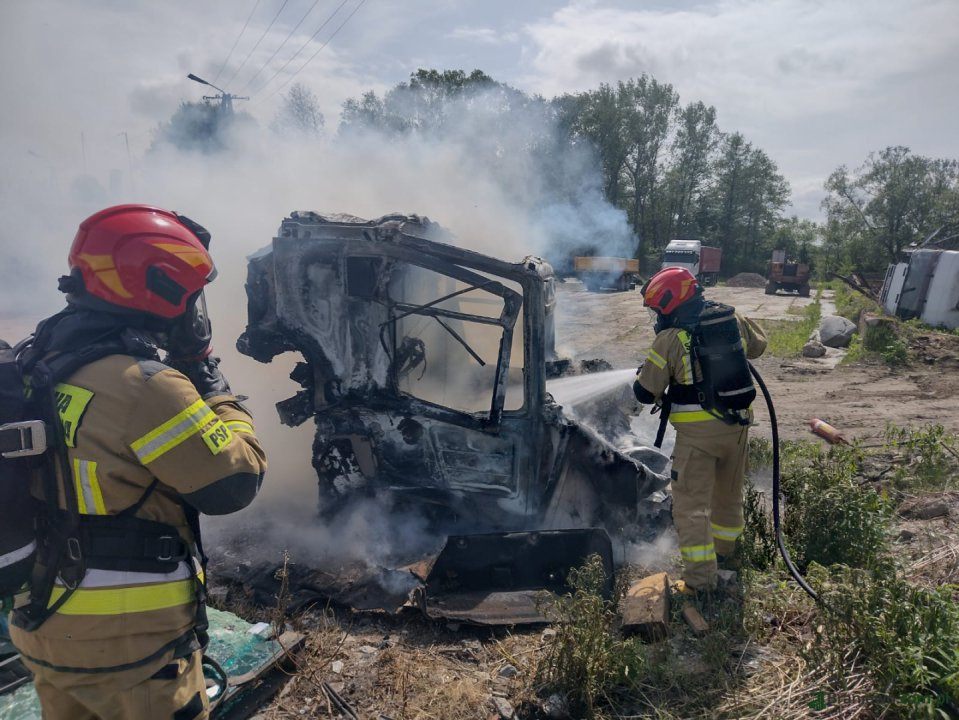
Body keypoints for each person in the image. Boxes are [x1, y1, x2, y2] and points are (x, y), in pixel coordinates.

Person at [9, 204, 267, 720]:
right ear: (161, 289)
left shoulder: (35, 362)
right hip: (130, 644)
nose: (196, 309)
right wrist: (215, 391)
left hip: (43, 626)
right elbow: (233, 483)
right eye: (191, 295)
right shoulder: (143, 385)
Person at [633, 267, 766, 594]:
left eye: (657, 309)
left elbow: (645, 393)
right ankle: (726, 557)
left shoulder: (670, 339)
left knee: (691, 508)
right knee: (727, 498)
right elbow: (759, 345)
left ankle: (699, 583)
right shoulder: (730, 321)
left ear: (670, 302)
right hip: (738, 429)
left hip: (698, 440)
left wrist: (642, 372)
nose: (656, 316)